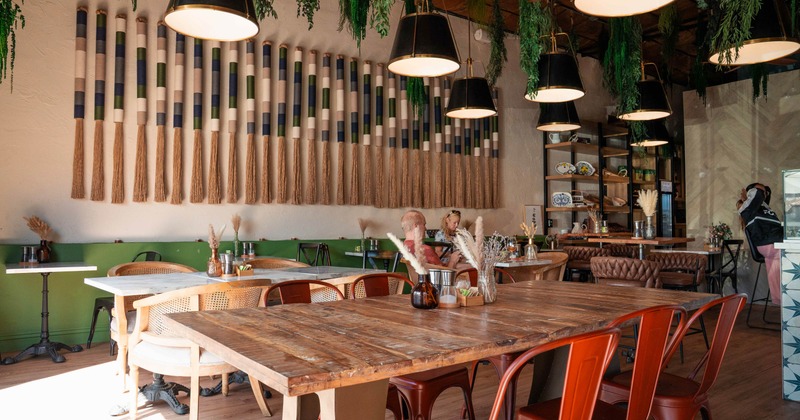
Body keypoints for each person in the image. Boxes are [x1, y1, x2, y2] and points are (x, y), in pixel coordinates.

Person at [738, 182, 783, 304]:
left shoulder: (765, 209)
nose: (764, 194)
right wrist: (751, 193)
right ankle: (788, 297)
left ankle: (785, 298)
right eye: (761, 191)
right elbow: (757, 195)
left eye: (765, 192)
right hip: (768, 243)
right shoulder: (747, 208)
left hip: (776, 242)